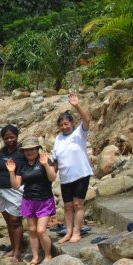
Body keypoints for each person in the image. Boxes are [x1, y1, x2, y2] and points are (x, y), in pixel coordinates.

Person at [7, 137, 58, 265]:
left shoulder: (44, 160)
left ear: (37, 149)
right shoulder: (22, 166)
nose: (29, 152)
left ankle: (48, 255)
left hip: (44, 200)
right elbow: (16, 186)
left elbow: (52, 178)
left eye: (32, 149)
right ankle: (35, 257)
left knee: (41, 230)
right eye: (26, 150)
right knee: (32, 229)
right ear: (23, 152)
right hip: (28, 200)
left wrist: (46, 164)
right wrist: (11, 173)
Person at [53, 92, 94, 244]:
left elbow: (87, 119)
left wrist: (76, 105)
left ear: (72, 123)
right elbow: (55, 161)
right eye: (61, 125)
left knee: (78, 204)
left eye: (66, 124)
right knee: (68, 206)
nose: (64, 127)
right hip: (65, 178)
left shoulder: (79, 133)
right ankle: (68, 232)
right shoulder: (57, 139)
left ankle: (77, 232)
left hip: (81, 174)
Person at [0, 124, 26, 262]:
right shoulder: (3, 151)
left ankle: (18, 252)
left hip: (16, 190)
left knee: (16, 220)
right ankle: (13, 249)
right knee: (8, 221)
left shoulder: (22, 151)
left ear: (17, 136)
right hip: (1, 190)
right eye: (6, 138)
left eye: (12, 137)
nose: (10, 140)